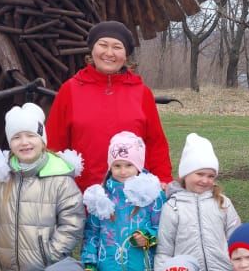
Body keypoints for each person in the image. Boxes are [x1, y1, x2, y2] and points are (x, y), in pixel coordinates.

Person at [0, 103, 85, 271]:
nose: (24, 142)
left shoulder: (59, 180)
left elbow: (72, 223)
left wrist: (50, 254)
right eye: (17, 137)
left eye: (30, 135)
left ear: (42, 140)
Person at [45, 21, 173, 192]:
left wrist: (163, 179)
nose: (109, 53)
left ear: (126, 54)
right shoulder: (70, 90)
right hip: (81, 195)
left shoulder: (141, 93)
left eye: (117, 47)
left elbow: (156, 144)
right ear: (92, 49)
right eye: (103, 45)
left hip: (132, 199)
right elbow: (54, 145)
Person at [81, 131, 167, 271]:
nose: (123, 171)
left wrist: (148, 237)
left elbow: (163, 228)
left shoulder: (153, 195)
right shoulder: (100, 196)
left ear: (139, 165)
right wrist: (89, 263)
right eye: (117, 165)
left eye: (129, 165)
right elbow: (92, 233)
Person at [155, 133, 240, 271]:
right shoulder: (173, 207)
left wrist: (237, 268)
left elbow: (236, 239)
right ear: (185, 174)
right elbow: (165, 249)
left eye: (210, 176)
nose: (205, 180)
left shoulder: (222, 203)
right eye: (199, 174)